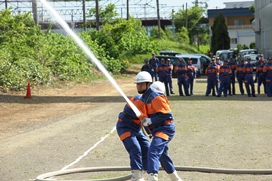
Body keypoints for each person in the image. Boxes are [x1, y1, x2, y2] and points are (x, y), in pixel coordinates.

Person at [135, 71, 182, 181]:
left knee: (153, 151)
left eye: (142, 84)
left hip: (165, 129)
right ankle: (175, 178)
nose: (139, 86)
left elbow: (167, 115)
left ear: (149, 84)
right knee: (162, 155)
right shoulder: (144, 98)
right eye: (138, 84)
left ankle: (152, 177)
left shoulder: (155, 97)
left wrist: (151, 120)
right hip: (156, 130)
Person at [116, 95, 150, 181]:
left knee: (147, 148)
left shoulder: (151, 103)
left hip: (136, 128)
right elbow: (145, 120)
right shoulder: (137, 100)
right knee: (135, 149)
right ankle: (136, 177)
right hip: (124, 127)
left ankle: (145, 172)